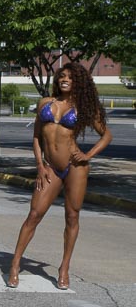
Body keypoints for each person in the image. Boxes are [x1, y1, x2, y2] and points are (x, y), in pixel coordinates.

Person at [7, 63, 112, 290]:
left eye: (71, 77)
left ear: (79, 82)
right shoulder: (45, 103)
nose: (65, 79)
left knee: (72, 217)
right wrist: (40, 165)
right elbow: (37, 137)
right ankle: (15, 264)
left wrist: (88, 155)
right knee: (34, 214)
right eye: (62, 76)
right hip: (50, 168)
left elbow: (106, 135)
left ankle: (64, 268)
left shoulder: (84, 107)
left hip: (75, 167)